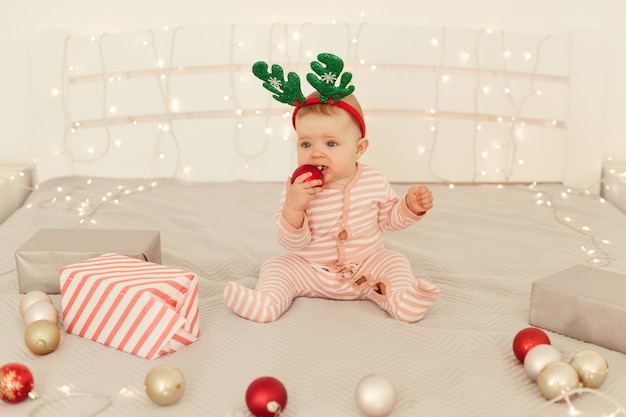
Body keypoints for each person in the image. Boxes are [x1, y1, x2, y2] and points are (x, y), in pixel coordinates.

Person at [223, 53, 440, 323]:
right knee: (277, 265)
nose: (316, 154)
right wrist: (294, 207)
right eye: (306, 144)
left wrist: (408, 207)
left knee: (395, 261)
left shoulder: (374, 180)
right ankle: (266, 303)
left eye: (331, 144)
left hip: (365, 269)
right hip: (311, 270)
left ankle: (402, 301)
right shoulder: (298, 188)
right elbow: (291, 242)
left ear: (359, 149)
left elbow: (389, 220)